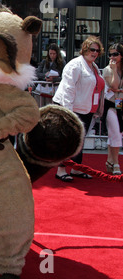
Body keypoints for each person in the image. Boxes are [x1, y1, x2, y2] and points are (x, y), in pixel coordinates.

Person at [52, 36, 105, 181]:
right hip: (72, 108)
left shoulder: (93, 67)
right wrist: (68, 113)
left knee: (80, 141)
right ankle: (61, 170)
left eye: (97, 50)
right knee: (69, 141)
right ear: (84, 49)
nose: (94, 52)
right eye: (91, 49)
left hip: (86, 109)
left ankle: (76, 168)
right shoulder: (75, 65)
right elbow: (69, 89)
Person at [102, 43, 123, 175]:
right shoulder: (107, 69)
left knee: (117, 133)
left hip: (120, 104)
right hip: (110, 105)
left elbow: (116, 88)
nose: (112, 57)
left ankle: (109, 161)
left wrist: (118, 90)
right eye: (110, 54)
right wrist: (114, 70)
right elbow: (114, 85)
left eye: (115, 54)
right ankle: (116, 163)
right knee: (115, 132)